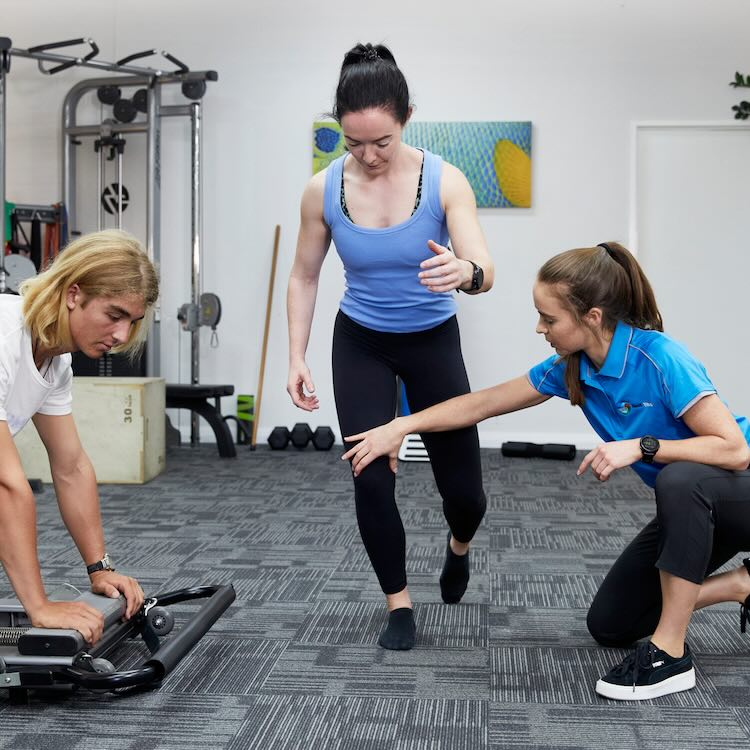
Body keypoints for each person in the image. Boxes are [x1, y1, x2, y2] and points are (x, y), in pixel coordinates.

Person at [342, 240, 750, 700]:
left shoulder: (660, 358)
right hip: (696, 507)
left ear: (592, 317)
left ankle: (669, 655)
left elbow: (734, 451)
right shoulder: (574, 368)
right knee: (611, 623)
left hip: (735, 493)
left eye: (550, 319)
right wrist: (403, 424)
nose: (540, 328)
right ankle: (742, 585)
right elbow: (483, 403)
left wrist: (641, 446)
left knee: (678, 478)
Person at [287, 42, 495, 650]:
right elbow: (304, 276)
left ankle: (459, 547)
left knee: (466, 494)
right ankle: (398, 603)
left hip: (432, 341)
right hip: (362, 342)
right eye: (354, 143)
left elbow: (484, 264)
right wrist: (296, 355)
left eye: (381, 141)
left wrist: (467, 274)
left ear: (406, 118)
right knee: (370, 476)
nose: (369, 156)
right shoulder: (321, 190)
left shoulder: (444, 179)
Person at [0, 229, 159, 645]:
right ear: (74, 294)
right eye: (114, 314)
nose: (123, 335)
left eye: (132, 321)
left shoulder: (55, 361)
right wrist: (39, 607)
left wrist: (99, 568)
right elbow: (6, 484)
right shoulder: (4, 339)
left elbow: (70, 466)